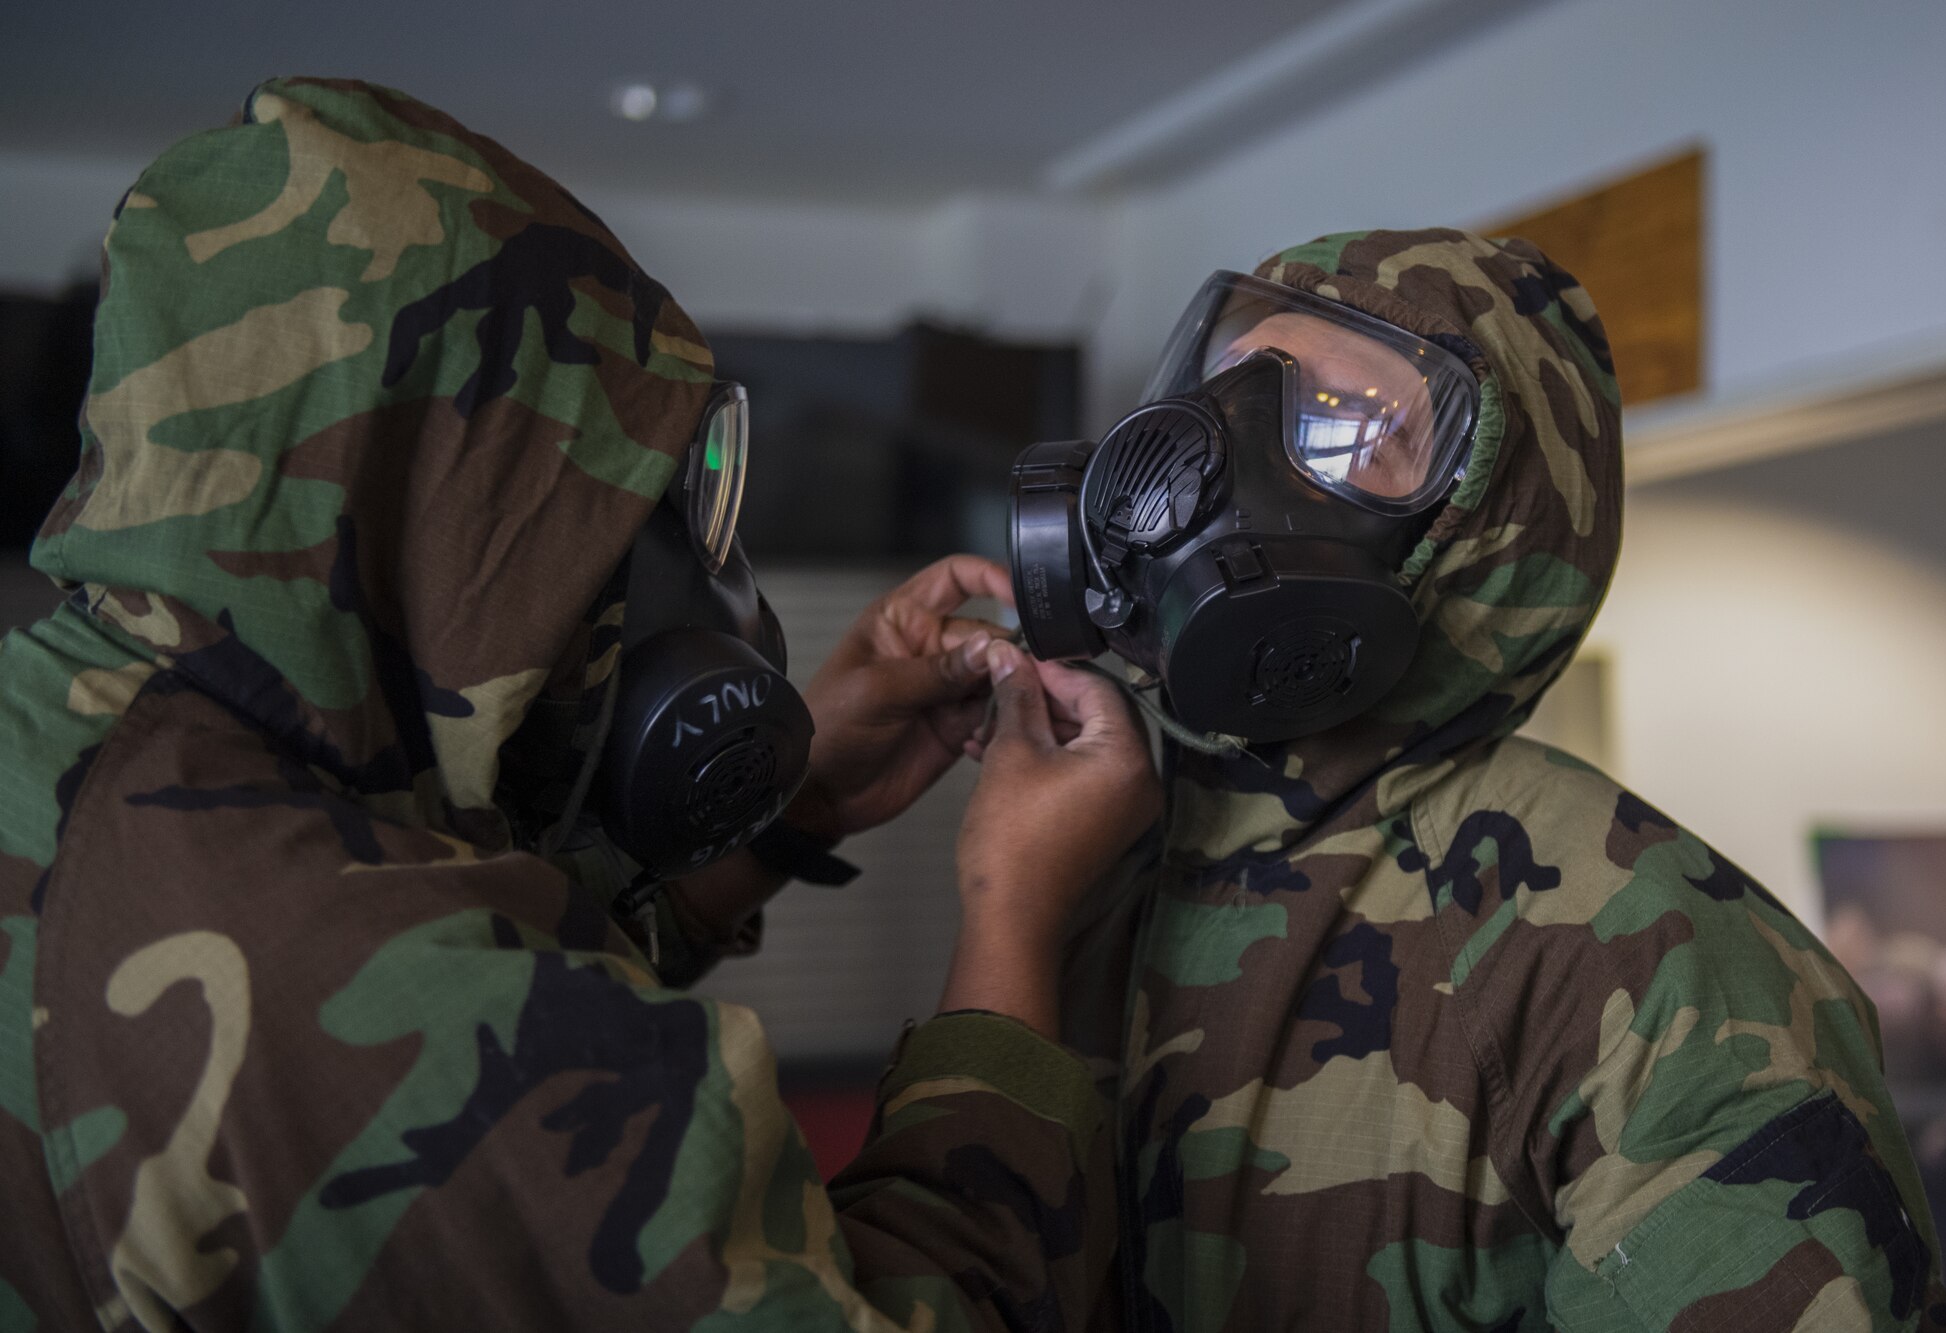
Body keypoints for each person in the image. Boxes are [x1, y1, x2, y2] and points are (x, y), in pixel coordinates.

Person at [0, 78, 1160, 1330]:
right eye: (608, 499)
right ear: (461, 504)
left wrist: (794, 803)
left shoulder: (80, 725)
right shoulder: (368, 988)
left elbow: (445, 937)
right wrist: (1014, 911)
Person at [1013, 230, 1946, 1327]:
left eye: (1338, 425)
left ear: (1484, 530)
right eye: (1227, 388)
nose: (1220, 450)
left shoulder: (1653, 952)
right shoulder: (1079, 846)